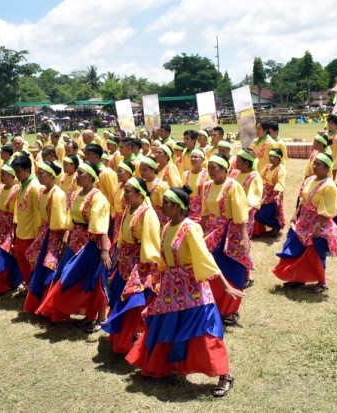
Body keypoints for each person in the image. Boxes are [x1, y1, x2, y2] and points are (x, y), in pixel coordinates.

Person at [125, 185, 244, 398]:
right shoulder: (166, 227)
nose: (163, 206)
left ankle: (224, 375)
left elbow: (204, 257)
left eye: (168, 203)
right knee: (166, 326)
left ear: (180, 207)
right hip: (171, 287)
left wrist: (225, 285)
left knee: (205, 331)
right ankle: (163, 366)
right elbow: (164, 258)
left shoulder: (191, 228)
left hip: (193, 290)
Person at [36, 161, 111, 332]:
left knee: (95, 279)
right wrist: (67, 235)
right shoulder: (76, 194)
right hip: (76, 241)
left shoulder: (98, 197)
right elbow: (71, 218)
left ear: (91, 176)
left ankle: (101, 318)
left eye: (81, 173)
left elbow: (101, 226)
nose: (77, 176)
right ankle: (88, 315)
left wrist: (105, 251)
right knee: (69, 276)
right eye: (77, 173)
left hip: (92, 243)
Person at [102, 177, 160, 353]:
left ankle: (128, 339)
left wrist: (145, 267)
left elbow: (151, 242)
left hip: (138, 264)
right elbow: (122, 234)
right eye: (124, 190)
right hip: (125, 263)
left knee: (132, 301)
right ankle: (122, 336)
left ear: (139, 194)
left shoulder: (147, 213)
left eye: (127, 191)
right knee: (118, 297)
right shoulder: (129, 209)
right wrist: (118, 251)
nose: (124, 195)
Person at [272, 153, 337, 293]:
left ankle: (322, 282)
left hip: (318, 223)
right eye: (314, 163)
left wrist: (317, 227)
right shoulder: (310, 179)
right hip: (303, 221)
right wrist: (295, 214)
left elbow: (327, 210)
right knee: (293, 247)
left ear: (327, 168)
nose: (314, 166)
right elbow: (303, 199)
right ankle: (298, 277)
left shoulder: (330, 186)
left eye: (318, 164)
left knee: (315, 253)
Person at [201, 153, 251, 325]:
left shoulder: (232, 186)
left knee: (233, 270)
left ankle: (230, 310)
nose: (210, 172)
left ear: (225, 169)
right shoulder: (207, 186)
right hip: (213, 232)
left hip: (232, 232)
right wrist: (201, 233)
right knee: (213, 269)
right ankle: (214, 305)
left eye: (214, 168)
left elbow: (240, 214)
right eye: (209, 168)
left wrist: (244, 238)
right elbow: (205, 213)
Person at [23, 161, 69, 313]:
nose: (38, 176)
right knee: (40, 266)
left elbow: (60, 220)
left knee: (50, 266)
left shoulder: (58, 194)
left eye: (42, 173)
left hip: (54, 235)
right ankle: (39, 303)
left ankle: (50, 306)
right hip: (45, 233)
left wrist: (62, 237)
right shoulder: (43, 192)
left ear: (51, 175)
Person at [0, 165, 22, 295]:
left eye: (3, 174)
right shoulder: (0, 189)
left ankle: (10, 282)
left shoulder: (17, 190)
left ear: (11, 175)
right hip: (0, 226)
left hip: (10, 226)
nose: (1, 176)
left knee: (7, 253)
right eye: (1, 173)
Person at [11, 155, 42, 292]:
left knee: (31, 263)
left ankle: (33, 288)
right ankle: (28, 285)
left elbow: (38, 213)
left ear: (27, 170)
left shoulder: (35, 187)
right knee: (22, 261)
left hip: (31, 233)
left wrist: (37, 235)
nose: (16, 175)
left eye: (18, 171)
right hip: (21, 231)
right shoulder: (22, 186)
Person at [230, 149, 263, 239]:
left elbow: (253, 202)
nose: (235, 162)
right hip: (231, 214)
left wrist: (239, 215)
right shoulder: (235, 173)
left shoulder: (254, 177)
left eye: (238, 160)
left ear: (246, 164)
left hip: (243, 217)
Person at [254, 148, 286, 236]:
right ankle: (271, 226)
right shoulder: (268, 166)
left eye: (273, 157)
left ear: (278, 158)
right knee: (257, 212)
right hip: (265, 193)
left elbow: (281, 182)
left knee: (263, 214)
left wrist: (278, 195)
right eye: (270, 156)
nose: (271, 158)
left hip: (274, 194)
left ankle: (276, 225)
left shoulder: (281, 168)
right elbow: (260, 177)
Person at [139, 156, 169, 226]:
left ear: (153, 170)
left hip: (157, 220)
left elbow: (166, 206)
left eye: (145, 170)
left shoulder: (161, 185)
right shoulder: (140, 184)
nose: (141, 172)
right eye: (140, 169)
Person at [182, 147, 209, 222]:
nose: (193, 159)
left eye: (196, 157)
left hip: (201, 210)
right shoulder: (185, 174)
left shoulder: (207, 174)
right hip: (187, 209)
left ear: (203, 160)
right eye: (192, 157)